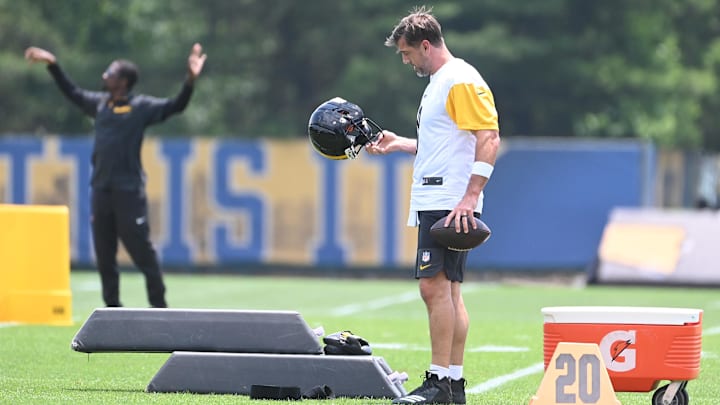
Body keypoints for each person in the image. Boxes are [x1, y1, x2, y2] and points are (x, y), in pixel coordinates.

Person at [366, 7, 500, 405]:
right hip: (444, 197)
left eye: (408, 54)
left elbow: (488, 136)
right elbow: (445, 142)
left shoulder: (458, 78)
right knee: (450, 293)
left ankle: (438, 381)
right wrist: (400, 143)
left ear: (426, 45)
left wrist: (471, 195)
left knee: (433, 288)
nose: (406, 61)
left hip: (448, 200)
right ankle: (453, 384)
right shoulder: (443, 81)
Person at [24, 43, 207, 308]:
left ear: (123, 81)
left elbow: (175, 106)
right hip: (101, 190)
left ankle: (159, 307)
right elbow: (72, 93)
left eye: (110, 73)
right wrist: (53, 65)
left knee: (141, 252)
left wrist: (189, 81)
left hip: (128, 191)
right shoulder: (100, 105)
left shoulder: (140, 107)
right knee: (104, 254)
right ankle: (112, 311)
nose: (104, 77)